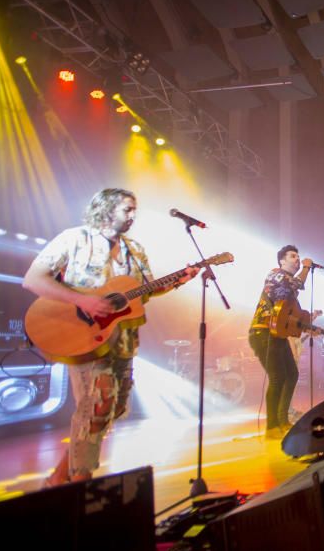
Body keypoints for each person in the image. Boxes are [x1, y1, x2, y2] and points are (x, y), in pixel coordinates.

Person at [22, 188, 198, 486]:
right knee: (97, 403)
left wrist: (177, 281)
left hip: (123, 340)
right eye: (127, 209)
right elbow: (33, 279)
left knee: (114, 408)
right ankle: (80, 482)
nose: (133, 216)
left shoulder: (135, 249)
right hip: (82, 336)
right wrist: (83, 301)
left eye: (134, 210)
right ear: (105, 209)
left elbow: (142, 292)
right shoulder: (74, 238)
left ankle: (61, 475)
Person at [248, 244, 316, 439]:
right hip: (262, 332)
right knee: (278, 378)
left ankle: (282, 421)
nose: (297, 259)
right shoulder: (275, 274)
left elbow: (290, 312)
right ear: (281, 261)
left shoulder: (289, 290)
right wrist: (306, 267)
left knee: (291, 374)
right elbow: (296, 284)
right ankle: (271, 427)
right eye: (293, 256)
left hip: (277, 334)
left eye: (298, 256)